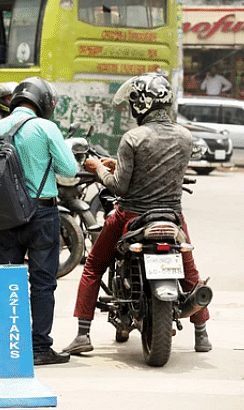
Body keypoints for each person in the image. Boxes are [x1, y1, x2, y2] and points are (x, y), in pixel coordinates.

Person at [63, 73, 211, 356]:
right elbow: (158, 165)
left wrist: (99, 168)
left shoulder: (132, 137)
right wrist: (116, 163)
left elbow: (119, 186)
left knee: (93, 265)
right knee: (190, 271)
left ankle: (83, 334)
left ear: (142, 103)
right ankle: (202, 335)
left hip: (131, 216)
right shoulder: (185, 136)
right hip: (172, 216)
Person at [0, 77, 78, 366]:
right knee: (43, 283)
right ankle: (39, 348)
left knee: (8, 281)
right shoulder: (46, 128)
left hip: (4, 215)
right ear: (43, 102)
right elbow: (69, 169)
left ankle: (9, 347)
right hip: (41, 214)